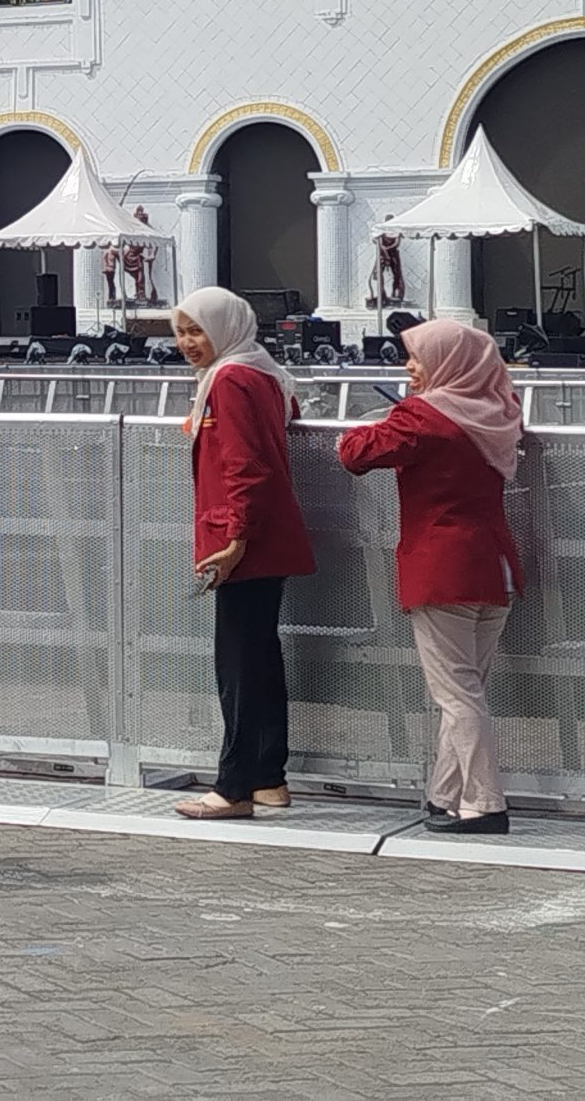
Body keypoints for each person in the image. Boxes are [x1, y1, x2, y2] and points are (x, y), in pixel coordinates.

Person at [337, 319, 524, 835]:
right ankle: (445, 794)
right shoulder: (500, 412)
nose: (410, 366)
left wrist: (385, 416)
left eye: (417, 357)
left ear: (445, 362)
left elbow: (355, 454)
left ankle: (486, 803)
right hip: (496, 567)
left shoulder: (423, 417)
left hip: (443, 568)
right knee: (468, 688)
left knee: (457, 694)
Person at [170, 285, 316, 820]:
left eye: (196, 331)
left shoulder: (229, 381)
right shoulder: (261, 372)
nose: (187, 342)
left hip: (242, 541)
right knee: (258, 657)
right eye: (181, 332)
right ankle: (268, 778)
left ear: (222, 330)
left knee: (237, 664)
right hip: (265, 536)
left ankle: (233, 785)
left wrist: (234, 539)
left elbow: (243, 464)